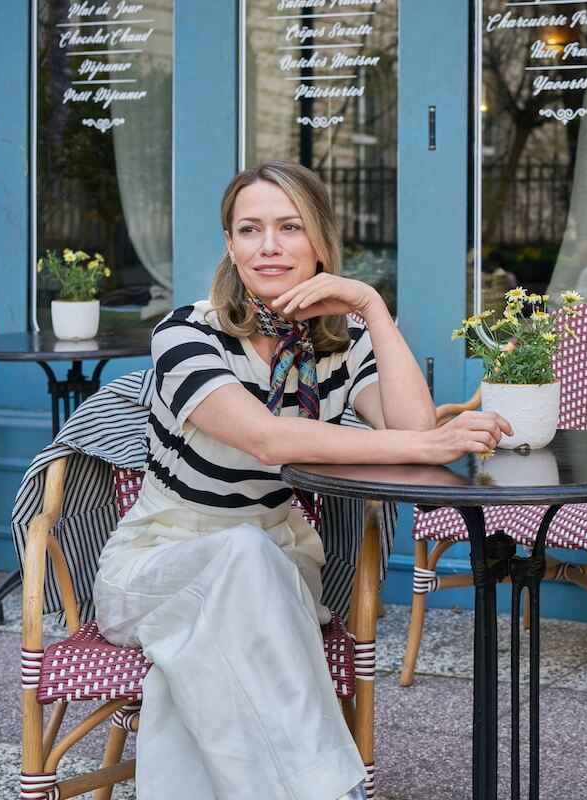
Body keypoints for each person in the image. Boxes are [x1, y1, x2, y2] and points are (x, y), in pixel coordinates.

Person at [93, 160, 511, 800]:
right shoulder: (185, 333)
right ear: (230, 245)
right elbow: (263, 438)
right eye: (250, 229)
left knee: (239, 581)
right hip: (159, 563)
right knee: (239, 553)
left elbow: (412, 426)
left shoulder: (339, 344)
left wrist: (370, 307)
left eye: (289, 227)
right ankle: (329, 789)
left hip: (279, 567)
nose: (268, 246)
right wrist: (424, 441)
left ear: (319, 241)